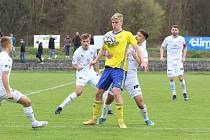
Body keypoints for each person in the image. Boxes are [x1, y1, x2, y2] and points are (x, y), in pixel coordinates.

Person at [82, 13, 148, 128]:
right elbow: (103, 49)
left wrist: (142, 61)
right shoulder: (108, 35)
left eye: (116, 22)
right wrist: (95, 60)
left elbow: (137, 47)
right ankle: (93, 119)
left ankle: (121, 121)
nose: (114, 24)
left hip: (119, 69)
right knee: (98, 93)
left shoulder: (127, 35)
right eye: (113, 22)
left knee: (116, 92)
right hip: (108, 68)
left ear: (121, 22)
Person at [98, 30, 154, 126]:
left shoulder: (142, 51)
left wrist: (133, 54)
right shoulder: (125, 44)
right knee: (110, 98)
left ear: (143, 40)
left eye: (140, 36)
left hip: (131, 77)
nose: (137, 37)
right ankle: (103, 116)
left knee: (139, 102)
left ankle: (147, 119)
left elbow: (143, 65)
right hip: (119, 74)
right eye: (137, 34)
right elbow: (110, 53)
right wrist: (108, 55)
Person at [55, 33, 113, 115]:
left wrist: (97, 71)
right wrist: (77, 67)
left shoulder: (93, 48)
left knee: (104, 88)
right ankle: (60, 106)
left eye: (87, 41)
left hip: (91, 72)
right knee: (78, 92)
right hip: (82, 74)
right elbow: (73, 64)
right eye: (84, 41)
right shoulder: (77, 52)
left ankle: (106, 109)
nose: (86, 43)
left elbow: (96, 59)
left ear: (89, 41)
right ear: (81, 42)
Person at [0, 36, 48, 128]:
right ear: (8, 45)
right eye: (12, 44)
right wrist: (8, 92)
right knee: (27, 102)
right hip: (3, 90)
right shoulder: (7, 59)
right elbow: (4, 76)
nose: (13, 46)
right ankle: (34, 123)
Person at [160, 25, 189, 101]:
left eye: (175, 30)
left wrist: (184, 57)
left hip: (179, 62)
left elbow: (185, 47)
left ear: (178, 31)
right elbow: (162, 47)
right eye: (173, 29)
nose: (174, 31)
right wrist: (162, 56)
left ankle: (184, 93)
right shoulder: (167, 39)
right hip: (170, 62)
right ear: (171, 30)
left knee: (180, 77)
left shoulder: (181, 39)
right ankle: (174, 95)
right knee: (171, 78)